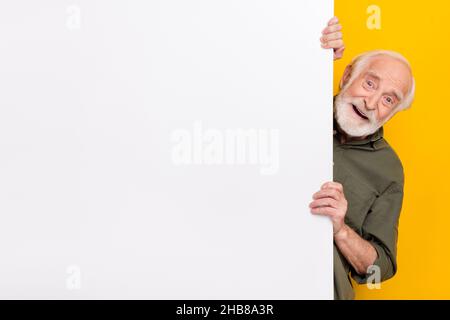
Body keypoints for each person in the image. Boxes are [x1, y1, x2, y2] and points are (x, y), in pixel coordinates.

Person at [317, 17, 415, 299]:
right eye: (370, 83)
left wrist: (341, 230)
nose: (371, 103)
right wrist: (310, 54)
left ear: (394, 113)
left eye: (388, 99)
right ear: (347, 76)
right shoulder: (298, 105)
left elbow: (378, 271)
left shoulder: (389, 170)